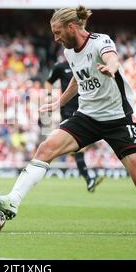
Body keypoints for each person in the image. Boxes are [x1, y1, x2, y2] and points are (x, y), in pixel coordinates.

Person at [0, 6, 136, 234]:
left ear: (71, 27)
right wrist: (59, 102)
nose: (55, 38)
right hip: (86, 116)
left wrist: (110, 68)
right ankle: (13, 200)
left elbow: (113, 61)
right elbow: (78, 80)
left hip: (118, 119)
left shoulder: (100, 41)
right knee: (46, 148)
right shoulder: (69, 52)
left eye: (58, 32)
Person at [45, 60, 104, 192]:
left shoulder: (85, 63)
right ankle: (89, 179)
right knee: (77, 149)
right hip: (68, 111)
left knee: (76, 149)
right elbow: (49, 81)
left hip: (86, 108)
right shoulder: (60, 66)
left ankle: (88, 178)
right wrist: (49, 96)